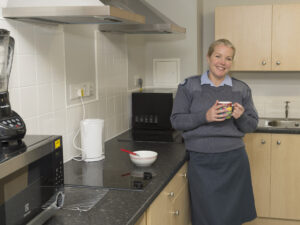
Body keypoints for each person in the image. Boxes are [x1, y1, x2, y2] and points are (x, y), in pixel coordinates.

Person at [170, 39, 258, 225]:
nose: (222, 62)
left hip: (234, 160)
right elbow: (176, 121)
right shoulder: (189, 86)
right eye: (218, 56)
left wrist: (240, 117)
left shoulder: (241, 88)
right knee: (205, 217)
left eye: (228, 58)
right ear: (208, 57)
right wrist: (205, 116)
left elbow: (251, 126)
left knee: (233, 216)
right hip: (201, 160)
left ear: (232, 62)